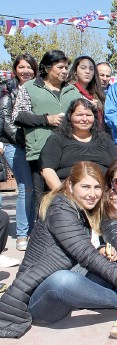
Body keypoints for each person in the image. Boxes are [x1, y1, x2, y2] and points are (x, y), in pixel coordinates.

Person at [0, 162, 117, 338]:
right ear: (70, 186)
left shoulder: (85, 209)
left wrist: (102, 249)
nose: (92, 194)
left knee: (114, 268)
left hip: (73, 273)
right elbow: (86, 255)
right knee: (63, 281)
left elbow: (86, 249)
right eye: (85, 186)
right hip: (38, 297)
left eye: (97, 187)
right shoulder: (60, 209)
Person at [13, 50, 83, 213]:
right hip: (40, 152)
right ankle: (42, 235)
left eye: (66, 67)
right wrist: (46, 120)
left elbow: (85, 111)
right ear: (46, 68)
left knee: (69, 195)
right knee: (43, 199)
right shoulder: (30, 87)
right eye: (60, 67)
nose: (65, 71)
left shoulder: (72, 91)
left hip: (68, 151)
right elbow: (18, 116)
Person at [0, 53, 38, 250]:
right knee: (26, 188)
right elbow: (6, 123)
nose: (26, 71)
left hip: (35, 146)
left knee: (34, 189)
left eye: (29, 67)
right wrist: (25, 141)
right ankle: (22, 234)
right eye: (22, 67)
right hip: (16, 146)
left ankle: (32, 231)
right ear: (15, 69)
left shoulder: (37, 88)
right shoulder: (7, 90)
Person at [40, 98, 117, 190]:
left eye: (88, 115)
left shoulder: (104, 139)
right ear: (70, 116)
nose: (84, 119)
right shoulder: (57, 139)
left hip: (103, 192)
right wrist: (63, 196)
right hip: (68, 193)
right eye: (79, 115)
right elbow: (47, 170)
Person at [67, 56, 106, 133]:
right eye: (83, 68)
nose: (87, 71)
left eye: (91, 69)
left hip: (96, 136)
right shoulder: (68, 90)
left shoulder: (97, 93)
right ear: (75, 71)